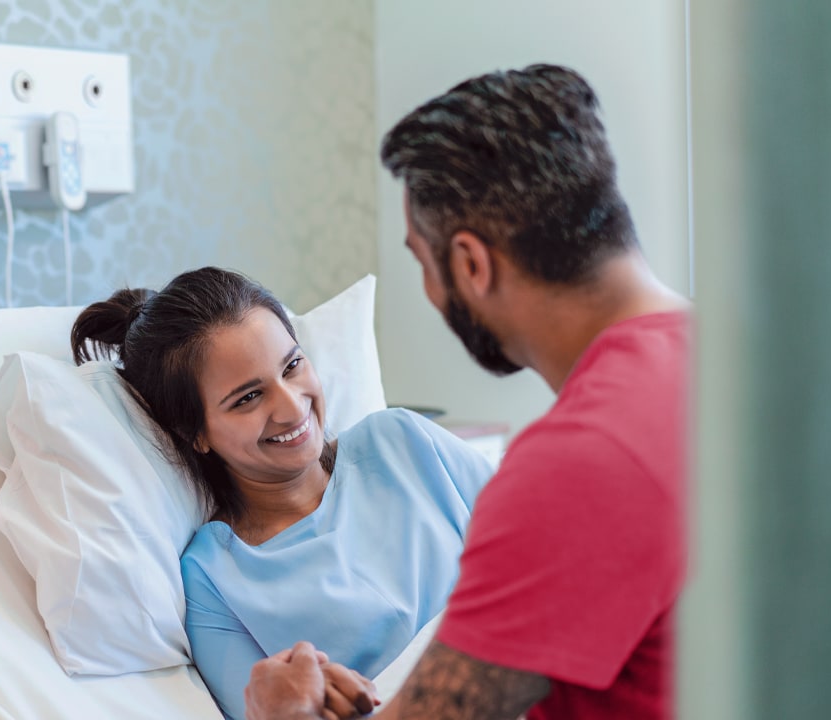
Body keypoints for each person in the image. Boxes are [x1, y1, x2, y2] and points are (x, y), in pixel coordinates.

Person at [246, 64, 691, 720]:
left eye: (423, 264)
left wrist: (274, 713)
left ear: (471, 264)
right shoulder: (746, 371)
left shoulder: (576, 464)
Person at [71, 266, 496, 720]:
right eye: (247, 398)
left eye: (292, 366)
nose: (292, 408)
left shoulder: (408, 442)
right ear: (194, 432)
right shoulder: (214, 580)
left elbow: (549, 560)